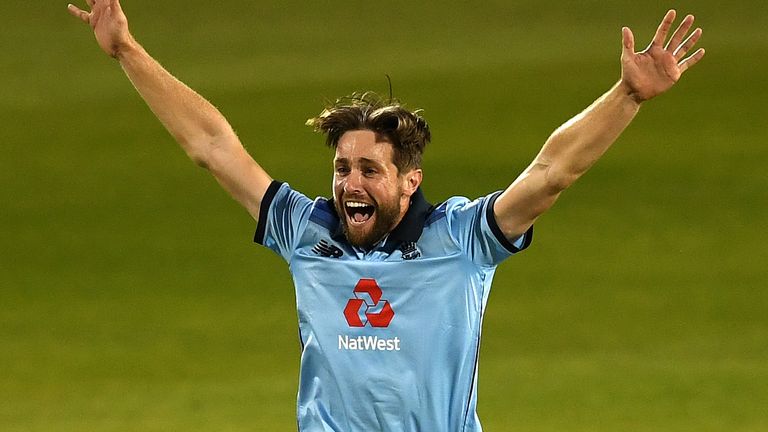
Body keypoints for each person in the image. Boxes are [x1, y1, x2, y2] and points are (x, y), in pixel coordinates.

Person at [68, 1, 705, 430]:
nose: (350, 184)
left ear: (409, 180)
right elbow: (212, 147)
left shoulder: (460, 238)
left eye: (370, 170)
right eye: (343, 169)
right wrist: (126, 49)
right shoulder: (305, 232)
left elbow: (550, 174)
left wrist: (626, 97)